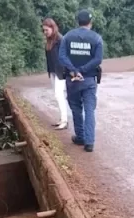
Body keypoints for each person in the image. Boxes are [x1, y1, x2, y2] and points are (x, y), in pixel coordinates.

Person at [58, 9, 104, 152]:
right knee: (89, 110)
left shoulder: (67, 37)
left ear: (78, 21)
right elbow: (98, 59)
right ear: (90, 22)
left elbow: (62, 57)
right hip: (89, 79)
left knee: (76, 109)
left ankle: (80, 137)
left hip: (72, 79)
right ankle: (89, 143)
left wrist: (74, 70)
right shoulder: (96, 38)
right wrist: (83, 70)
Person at [42, 18, 69, 130]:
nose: (45, 32)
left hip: (60, 71)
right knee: (57, 95)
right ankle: (62, 119)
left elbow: (65, 56)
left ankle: (64, 120)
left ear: (52, 28)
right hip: (53, 71)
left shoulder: (60, 39)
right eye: (44, 30)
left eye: (46, 30)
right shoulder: (50, 40)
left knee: (59, 95)